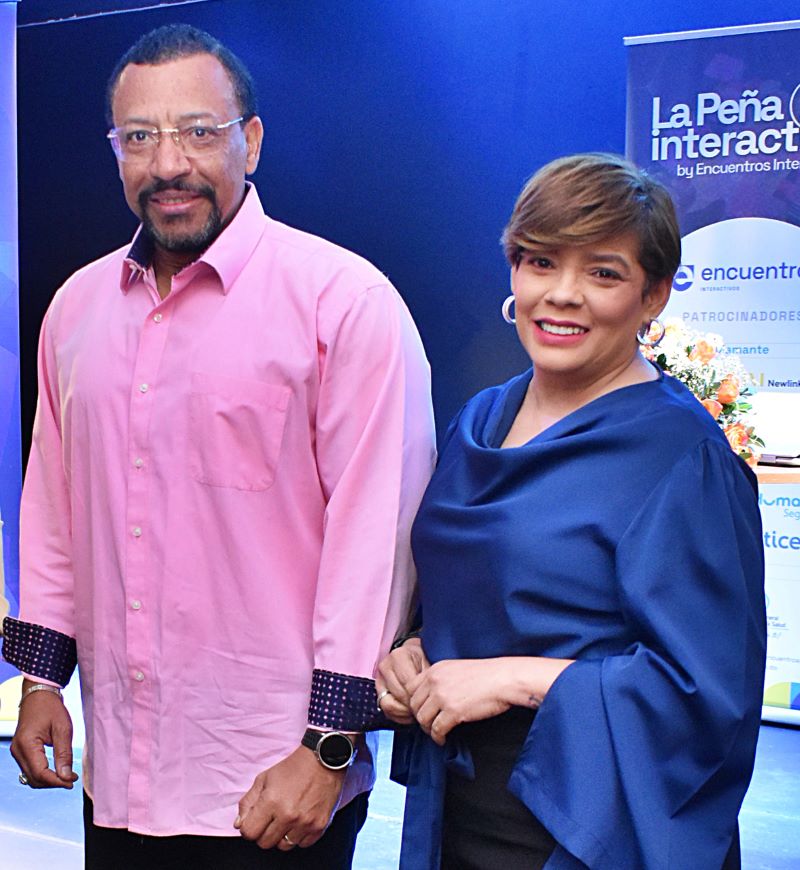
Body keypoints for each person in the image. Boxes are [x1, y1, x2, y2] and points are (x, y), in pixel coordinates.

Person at [2, 23, 435, 869]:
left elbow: (376, 544)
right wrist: (42, 681)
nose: (169, 163)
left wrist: (328, 748)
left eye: (199, 131)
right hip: (120, 773)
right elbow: (53, 506)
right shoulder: (76, 309)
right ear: (115, 151)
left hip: (274, 785)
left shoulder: (342, 302)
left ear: (252, 141)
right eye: (140, 137)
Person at [377, 153, 766, 870]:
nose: (562, 294)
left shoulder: (682, 457)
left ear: (654, 296)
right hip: (459, 808)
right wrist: (414, 650)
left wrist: (512, 677)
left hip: (587, 823)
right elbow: (473, 593)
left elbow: (709, 695)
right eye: (540, 262)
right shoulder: (479, 420)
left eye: (603, 273)